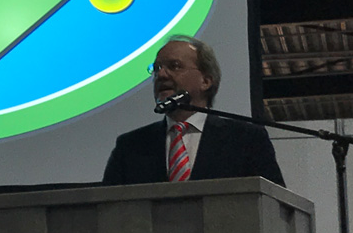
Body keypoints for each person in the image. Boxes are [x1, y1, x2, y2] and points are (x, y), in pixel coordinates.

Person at [102, 35, 285, 186]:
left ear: (206, 81)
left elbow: (273, 207)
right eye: (157, 68)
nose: (161, 75)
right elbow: (106, 209)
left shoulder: (247, 140)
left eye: (174, 66)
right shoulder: (130, 146)